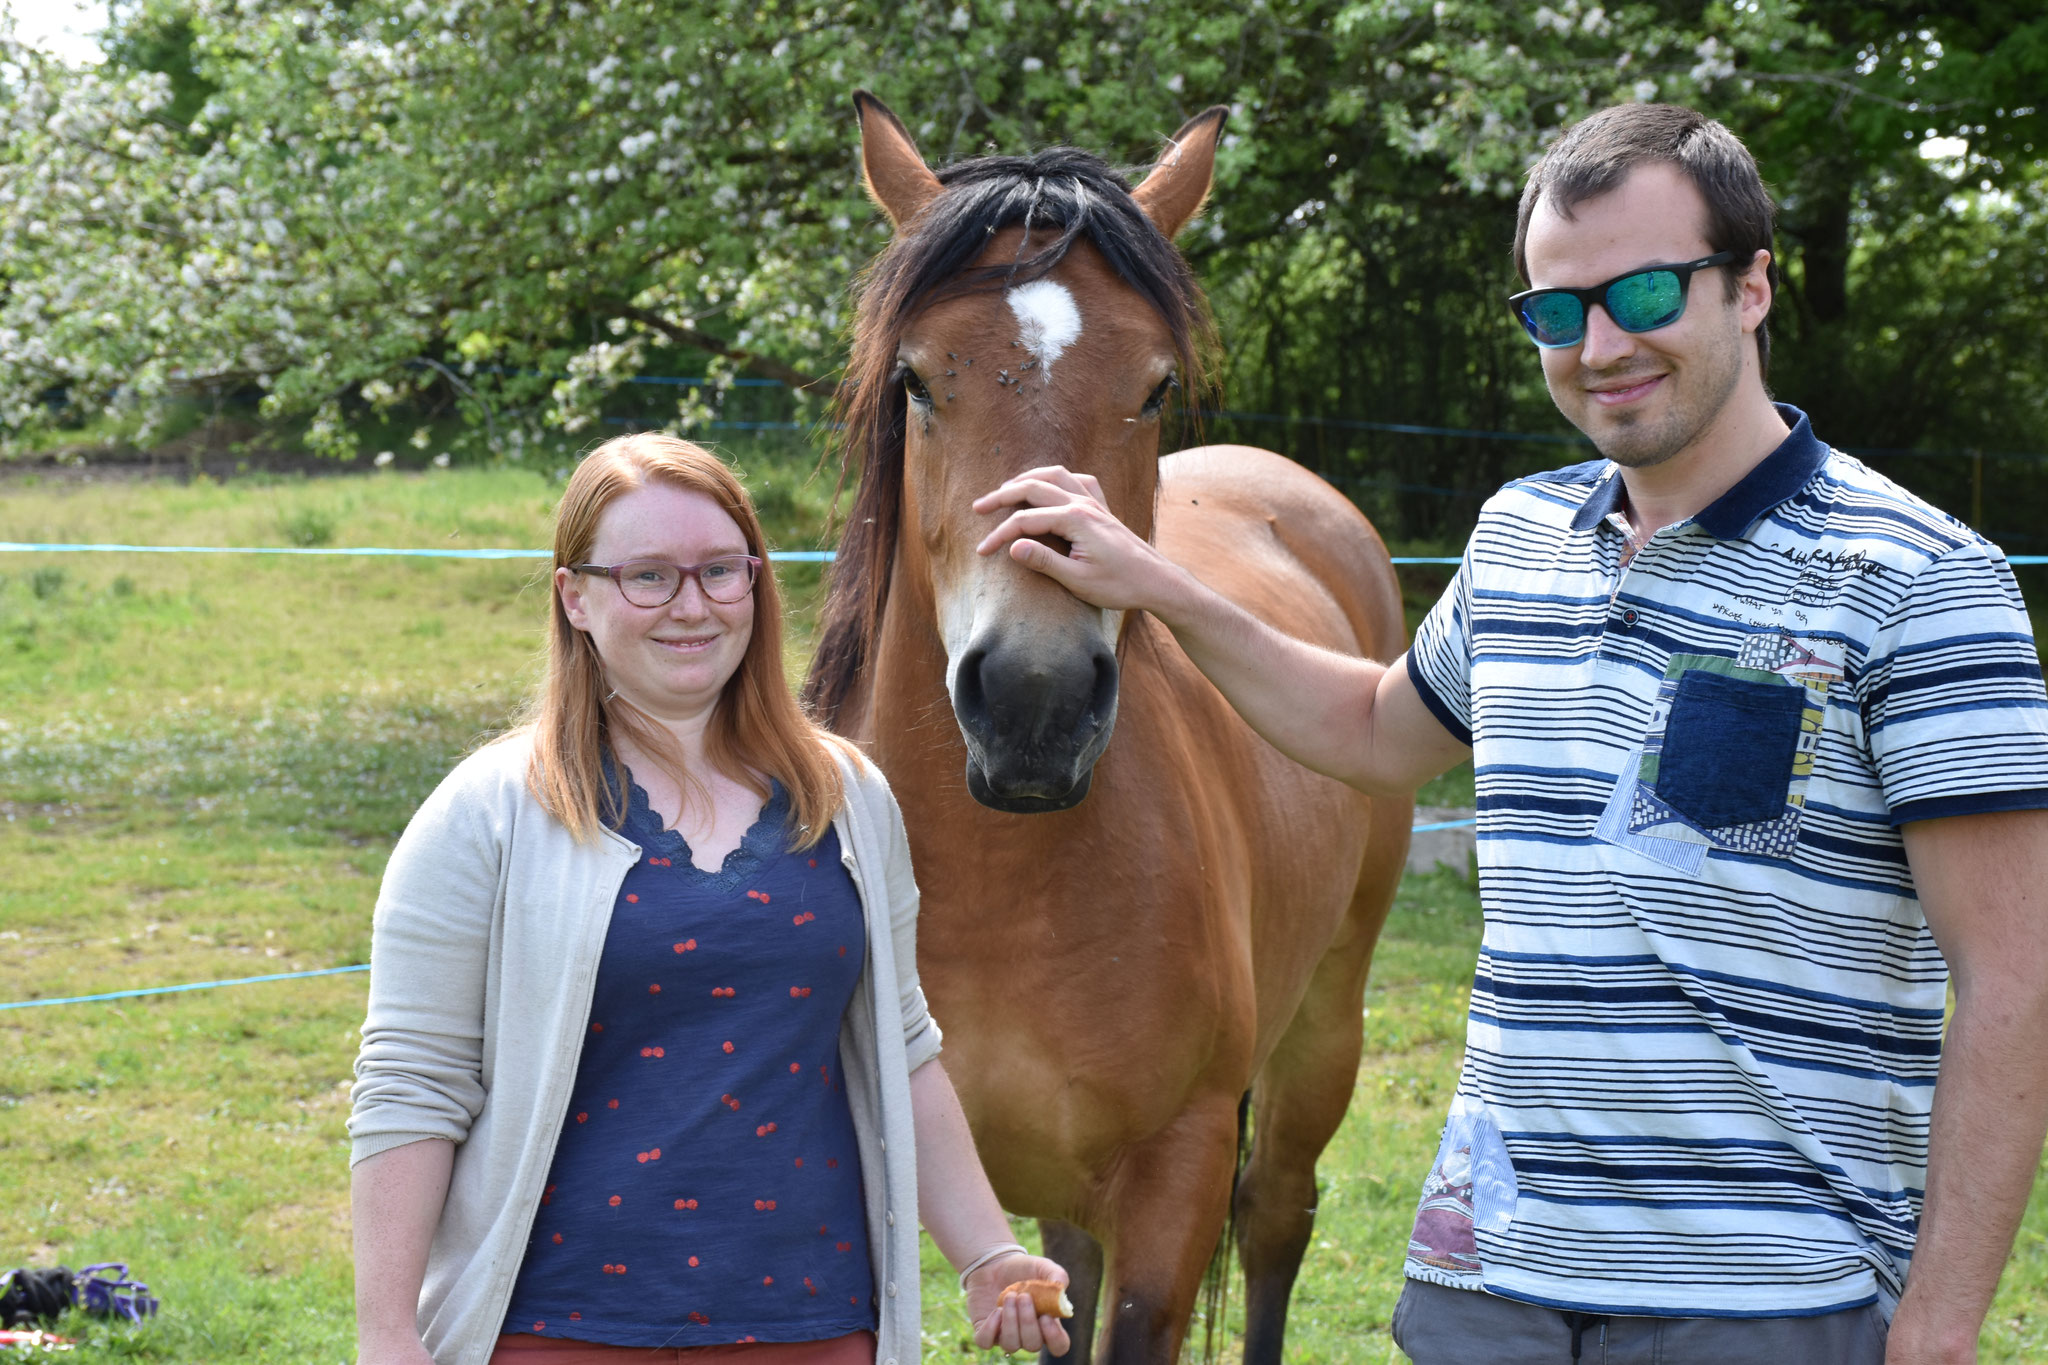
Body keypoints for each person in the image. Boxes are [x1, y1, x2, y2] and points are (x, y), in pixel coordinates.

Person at [969, 103, 2048, 1365]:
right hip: (1490, 1283)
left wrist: (1940, 1322)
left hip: (1764, 1296)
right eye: (1555, 308)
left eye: (1644, 291)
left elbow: (2011, 982)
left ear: (1751, 287)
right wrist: (1156, 584)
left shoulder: (1923, 583)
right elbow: (1377, 732)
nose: (1598, 345)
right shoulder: (1520, 538)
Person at [349, 432, 1072, 1365]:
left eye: (719, 571)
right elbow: (412, 1086)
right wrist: (386, 1337)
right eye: (647, 575)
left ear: (759, 584)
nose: (691, 605)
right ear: (575, 595)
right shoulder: (485, 815)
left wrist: (986, 1251)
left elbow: (901, 1044)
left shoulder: (848, 798)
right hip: (556, 1329)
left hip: (813, 1322)